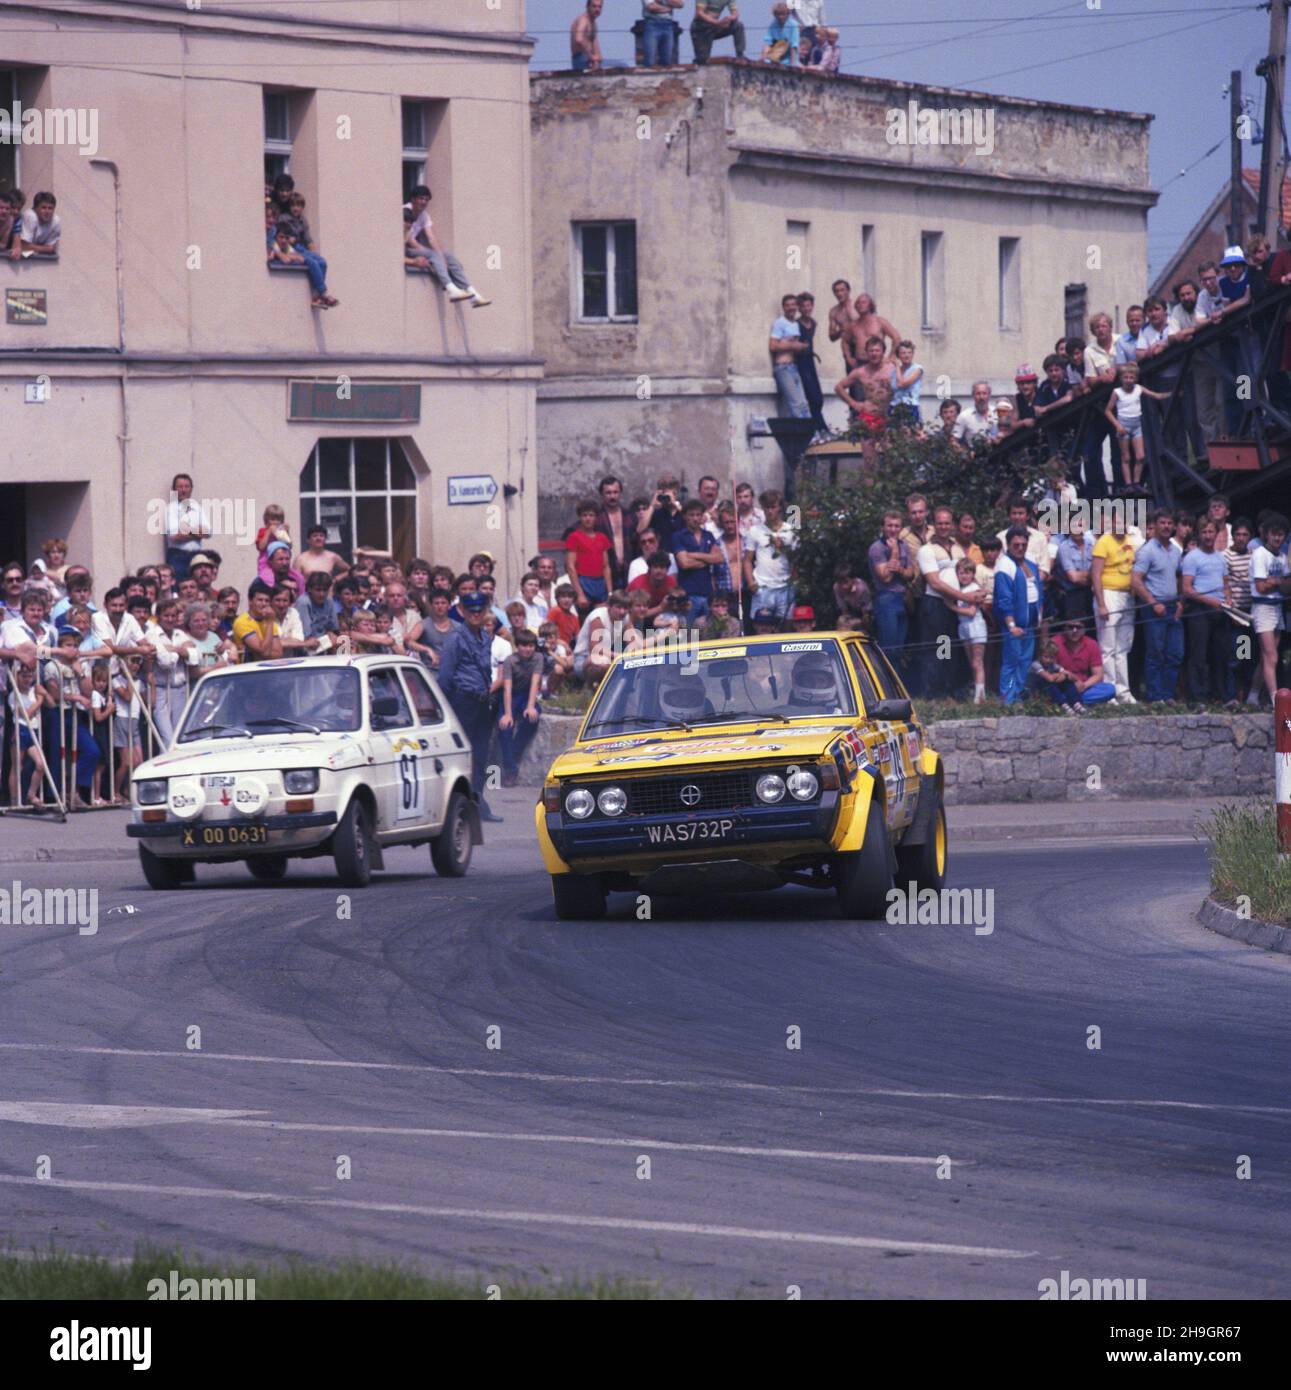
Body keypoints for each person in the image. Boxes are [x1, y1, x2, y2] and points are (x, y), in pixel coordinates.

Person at [436, 592, 501, 821]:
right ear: (462, 611)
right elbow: (445, 677)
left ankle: (477, 800)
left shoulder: (485, 636)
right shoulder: (456, 638)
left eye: (480, 610)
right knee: (463, 755)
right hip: (463, 701)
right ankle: (461, 806)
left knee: (481, 755)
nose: (476, 614)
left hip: (482, 701)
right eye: (471, 610)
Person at [404, 184, 491, 308]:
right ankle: (451, 289)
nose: (424, 202)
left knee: (450, 258)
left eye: (426, 199)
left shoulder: (424, 215)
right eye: (421, 198)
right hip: (405, 249)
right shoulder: (405, 211)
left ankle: (473, 294)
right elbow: (409, 239)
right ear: (413, 199)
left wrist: (442, 258)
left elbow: (432, 238)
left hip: (416, 249)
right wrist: (434, 256)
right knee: (435, 255)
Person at [1131, 509, 1183, 703]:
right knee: (1155, 653)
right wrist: (1153, 603)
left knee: (1175, 653)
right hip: (1154, 607)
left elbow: (1178, 576)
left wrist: (1179, 601)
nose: (1166, 526)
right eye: (1162, 522)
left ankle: (1168, 694)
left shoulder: (1176, 550)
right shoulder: (1147, 551)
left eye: (1170, 523)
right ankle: (1155, 696)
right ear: (1156, 524)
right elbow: (1136, 580)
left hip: (1172, 606)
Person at [916, 506, 969, 699]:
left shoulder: (957, 548)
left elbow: (966, 574)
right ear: (934, 525)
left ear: (952, 525)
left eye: (947, 523)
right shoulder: (926, 550)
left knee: (950, 647)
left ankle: (948, 689)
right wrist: (964, 597)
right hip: (935, 605)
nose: (944, 527)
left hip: (954, 606)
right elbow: (934, 582)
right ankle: (933, 693)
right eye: (940, 523)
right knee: (937, 648)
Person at [1180, 518, 1234, 704]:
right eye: (1204, 532)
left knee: (1221, 653)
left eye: (1211, 532)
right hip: (1199, 609)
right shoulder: (1192, 557)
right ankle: (1198, 696)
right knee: (1198, 654)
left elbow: (1226, 584)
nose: (1208, 536)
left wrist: (1227, 597)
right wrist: (1209, 600)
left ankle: (1220, 693)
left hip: (1220, 610)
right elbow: (1187, 588)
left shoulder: (1220, 557)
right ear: (1199, 534)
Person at [993, 526, 1042, 705]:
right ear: (1008, 545)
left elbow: (1039, 590)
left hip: (1030, 623)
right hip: (1014, 624)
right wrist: (1011, 625)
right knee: (1011, 662)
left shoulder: (1030, 562)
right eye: (1016, 545)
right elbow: (1004, 600)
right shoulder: (1004, 566)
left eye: (1023, 544)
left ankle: (1018, 695)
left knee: (1024, 661)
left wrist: (1039, 617)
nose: (1020, 548)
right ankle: (1007, 699)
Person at [1249, 511, 1290, 705]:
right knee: (1270, 655)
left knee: (1267, 657)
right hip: (1262, 607)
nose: (1277, 538)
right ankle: (1276, 700)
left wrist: (1276, 582)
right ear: (1267, 534)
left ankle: (1253, 696)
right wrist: (1278, 583)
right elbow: (1260, 587)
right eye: (1274, 534)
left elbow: (1287, 584)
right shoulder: (1259, 555)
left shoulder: (1282, 556)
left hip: (1277, 607)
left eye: (1281, 534)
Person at [867, 510, 914, 670]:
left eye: (897, 526)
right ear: (883, 527)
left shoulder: (904, 546)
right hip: (886, 599)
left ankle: (901, 685)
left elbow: (910, 573)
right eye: (890, 525)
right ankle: (888, 688)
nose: (893, 529)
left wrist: (899, 569)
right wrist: (894, 552)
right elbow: (885, 578)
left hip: (903, 598)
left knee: (900, 647)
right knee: (889, 648)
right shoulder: (877, 548)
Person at [497, 629, 543, 787]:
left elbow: (535, 683)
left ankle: (514, 754)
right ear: (517, 647)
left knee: (533, 717)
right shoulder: (510, 660)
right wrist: (508, 714)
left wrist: (530, 707)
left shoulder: (538, 658)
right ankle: (510, 771)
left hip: (526, 694)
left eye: (531, 646)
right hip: (512, 695)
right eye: (524, 646)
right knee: (505, 727)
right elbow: (507, 688)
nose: (527, 649)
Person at [743, 490, 796, 620]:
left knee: (786, 628)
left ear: (780, 508)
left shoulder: (791, 530)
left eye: (773, 507)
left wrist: (782, 547)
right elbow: (747, 560)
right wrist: (751, 583)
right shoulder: (755, 531)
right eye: (766, 507)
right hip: (762, 587)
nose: (770, 511)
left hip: (785, 587)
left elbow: (797, 560)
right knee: (762, 629)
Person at [671, 499, 724, 620]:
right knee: (688, 635)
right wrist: (708, 559)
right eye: (691, 515)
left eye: (698, 515)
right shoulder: (678, 536)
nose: (695, 518)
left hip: (708, 593)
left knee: (708, 635)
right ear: (685, 516)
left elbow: (719, 558)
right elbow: (684, 563)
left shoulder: (708, 535)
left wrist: (693, 554)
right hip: (688, 594)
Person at [947, 556, 988, 704]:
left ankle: (980, 697)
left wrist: (952, 607)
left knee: (978, 662)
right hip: (963, 626)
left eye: (968, 573)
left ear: (973, 574)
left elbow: (971, 612)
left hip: (975, 625)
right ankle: (977, 692)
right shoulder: (960, 590)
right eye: (961, 573)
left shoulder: (973, 589)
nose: (964, 576)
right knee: (972, 662)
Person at [1053, 616, 1116, 707]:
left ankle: (1069, 702)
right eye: (1071, 627)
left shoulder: (1091, 644)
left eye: (1078, 627)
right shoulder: (1055, 643)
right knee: (1052, 689)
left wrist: (1084, 686)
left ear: (1084, 629)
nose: (1074, 631)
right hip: (1064, 685)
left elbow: (1098, 675)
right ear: (1064, 628)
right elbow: (1050, 671)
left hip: (1083, 686)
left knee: (1110, 689)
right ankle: (1075, 702)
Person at [565, 499, 614, 613]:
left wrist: (610, 592)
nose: (588, 518)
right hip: (584, 582)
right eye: (584, 515)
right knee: (584, 619)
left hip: (600, 583)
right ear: (580, 517)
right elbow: (570, 567)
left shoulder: (602, 537)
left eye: (591, 515)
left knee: (602, 617)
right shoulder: (574, 537)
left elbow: (606, 566)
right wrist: (580, 594)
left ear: (596, 517)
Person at [769, 293, 811, 418]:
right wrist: (794, 345)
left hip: (793, 367)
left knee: (803, 403)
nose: (790, 307)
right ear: (783, 307)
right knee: (797, 404)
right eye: (787, 305)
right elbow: (773, 346)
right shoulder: (779, 323)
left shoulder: (796, 325)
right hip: (783, 367)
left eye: (793, 304)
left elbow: (793, 346)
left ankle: (807, 434)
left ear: (797, 306)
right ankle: (806, 434)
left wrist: (802, 347)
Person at [795, 291, 828, 438]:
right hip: (800, 362)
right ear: (799, 308)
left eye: (809, 305)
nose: (807, 309)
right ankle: (821, 428)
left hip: (810, 361)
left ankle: (818, 426)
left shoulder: (813, 323)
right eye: (803, 306)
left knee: (819, 397)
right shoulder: (796, 324)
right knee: (812, 396)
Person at [595, 474, 639, 588]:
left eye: (615, 492)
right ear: (602, 495)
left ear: (620, 493)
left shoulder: (630, 516)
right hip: (605, 572)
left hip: (628, 570)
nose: (612, 496)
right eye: (608, 493)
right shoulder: (597, 517)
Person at [163, 472, 208, 579]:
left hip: (197, 556)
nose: (183, 490)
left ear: (191, 489)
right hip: (178, 557)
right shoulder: (171, 509)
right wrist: (197, 532)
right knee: (179, 588)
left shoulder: (197, 508)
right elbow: (175, 537)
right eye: (180, 486)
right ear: (174, 489)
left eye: (187, 486)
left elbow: (208, 532)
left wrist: (187, 531)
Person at [231, 582, 282, 663]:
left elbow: (278, 653)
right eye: (260, 600)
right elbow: (264, 652)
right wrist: (263, 652)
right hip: (246, 671)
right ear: (250, 601)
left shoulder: (270, 621)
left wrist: (259, 654)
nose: (264, 604)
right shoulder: (242, 622)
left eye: (267, 601)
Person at [642, 0, 685, 65]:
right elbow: (651, 7)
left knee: (666, 60)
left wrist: (661, 1)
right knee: (650, 61)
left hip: (668, 25)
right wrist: (669, 7)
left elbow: (680, 4)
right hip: (652, 24)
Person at [18, 191, 60, 257]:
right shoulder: (30, 216)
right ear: (35, 208)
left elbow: (51, 248)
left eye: (50, 208)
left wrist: (35, 248)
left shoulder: (55, 221)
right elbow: (24, 246)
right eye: (43, 207)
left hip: (37, 260)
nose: (47, 211)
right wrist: (45, 249)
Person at [571, 0, 604, 70]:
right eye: (594, 6)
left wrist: (598, 60)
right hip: (581, 59)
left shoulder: (593, 24)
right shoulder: (583, 20)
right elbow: (578, 39)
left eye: (600, 7)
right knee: (621, 65)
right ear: (587, 7)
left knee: (620, 65)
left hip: (589, 60)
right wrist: (591, 57)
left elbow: (595, 45)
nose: (597, 9)